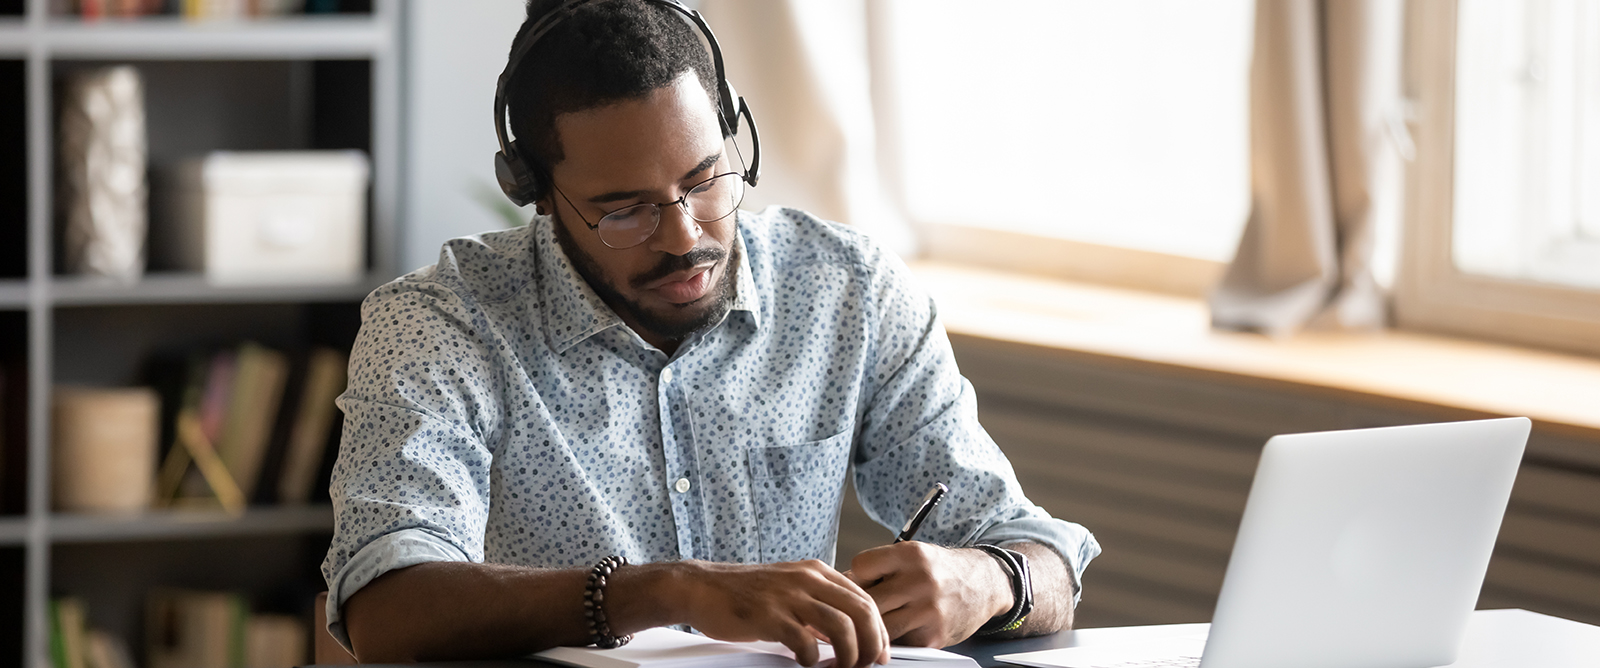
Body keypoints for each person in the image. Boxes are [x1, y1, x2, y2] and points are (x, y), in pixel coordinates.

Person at [321, 2, 1099, 667]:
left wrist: (993, 580)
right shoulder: (438, 322)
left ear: (736, 136)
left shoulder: (847, 289)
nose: (685, 237)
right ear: (536, 194)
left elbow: (1042, 557)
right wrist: (669, 590)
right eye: (624, 210)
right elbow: (388, 607)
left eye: (704, 179)